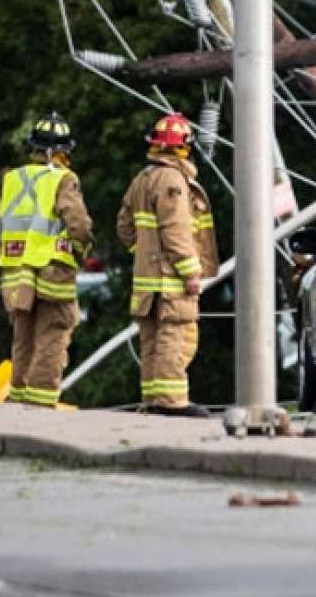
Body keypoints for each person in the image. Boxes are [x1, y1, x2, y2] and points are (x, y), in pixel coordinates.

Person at [117, 112, 214, 417]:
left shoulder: (142, 178)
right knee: (177, 338)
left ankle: (153, 399)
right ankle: (172, 402)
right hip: (170, 280)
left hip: (147, 280)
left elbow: (124, 226)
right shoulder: (173, 180)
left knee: (152, 341)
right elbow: (176, 231)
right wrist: (190, 272)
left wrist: (145, 253)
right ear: (185, 147)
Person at [0, 111, 92, 407]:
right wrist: (82, 249)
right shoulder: (63, 178)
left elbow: (1, 224)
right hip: (51, 270)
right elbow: (78, 223)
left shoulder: (12, 178)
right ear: (59, 151)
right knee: (53, 334)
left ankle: (20, 397)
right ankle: (40, 404)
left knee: (23, 335)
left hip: (16, 272)